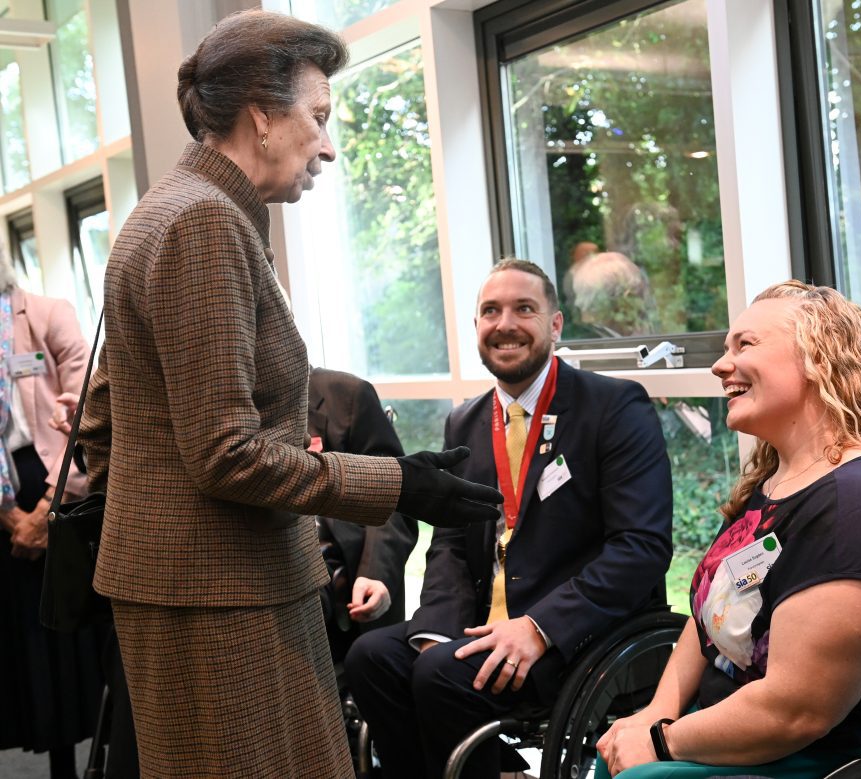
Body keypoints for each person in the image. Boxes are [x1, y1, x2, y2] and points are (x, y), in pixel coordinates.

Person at [75, 11, 502, 779]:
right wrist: (399, 482)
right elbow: (223, 454)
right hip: (220, 594)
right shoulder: (204, 222)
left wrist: (150, 523)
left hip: (198, 584)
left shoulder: (172, 210)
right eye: (319, 116)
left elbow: (108, 415)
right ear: (263, 116)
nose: (329, 145)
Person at [596, 280, 861, 778]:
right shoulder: (779, 479)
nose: (719, 365)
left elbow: (795, 712)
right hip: (750, 727)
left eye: (745, 345)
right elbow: (710, 615)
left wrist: (660, 741)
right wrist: (654, 713)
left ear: (818, 358)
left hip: (842, 755)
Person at [345, 258, 673, 779]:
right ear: (476, 326)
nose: (505, 324)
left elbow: (642, 547)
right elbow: (450, 542)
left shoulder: (612, 407)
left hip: (579, 631)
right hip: (487, 619)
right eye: (490, 311)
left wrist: (542, 627)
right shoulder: (466, 420)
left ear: (555, 324)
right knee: (373, 658)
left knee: (438, 677)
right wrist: (435, 631)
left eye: (524, 309)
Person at [0, 250, 104, 779]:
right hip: (2, 501)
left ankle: (68, 765)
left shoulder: (47, 313)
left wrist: (44, 510)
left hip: (55, 485)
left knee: (58, 644)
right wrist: (7, 514)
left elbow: (86, 411)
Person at [308, 367, 418, 661]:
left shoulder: (347, 395)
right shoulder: (235, 410)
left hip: (340, 567)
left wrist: (375, 573)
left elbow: (396, 496)